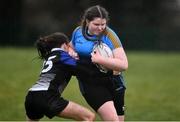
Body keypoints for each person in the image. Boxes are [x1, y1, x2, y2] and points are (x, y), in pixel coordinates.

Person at [70, 5, 128, 121]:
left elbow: (123, 65)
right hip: (90, 82)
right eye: (96, 24)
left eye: (103, 24)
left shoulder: (109, 35)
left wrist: (100, 60)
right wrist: (72, 52)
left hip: (114, 82)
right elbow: (70, 47)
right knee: (112, 120)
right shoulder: (78, 32)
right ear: (87, 21)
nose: (100, 28)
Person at [24, 32, 95, 121]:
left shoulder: (49, 57)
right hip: (47, 96)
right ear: (65, 45)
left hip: (31, 96)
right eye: (69, 46)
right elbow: (86, 70)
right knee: (88, 117)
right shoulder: (63, 56)